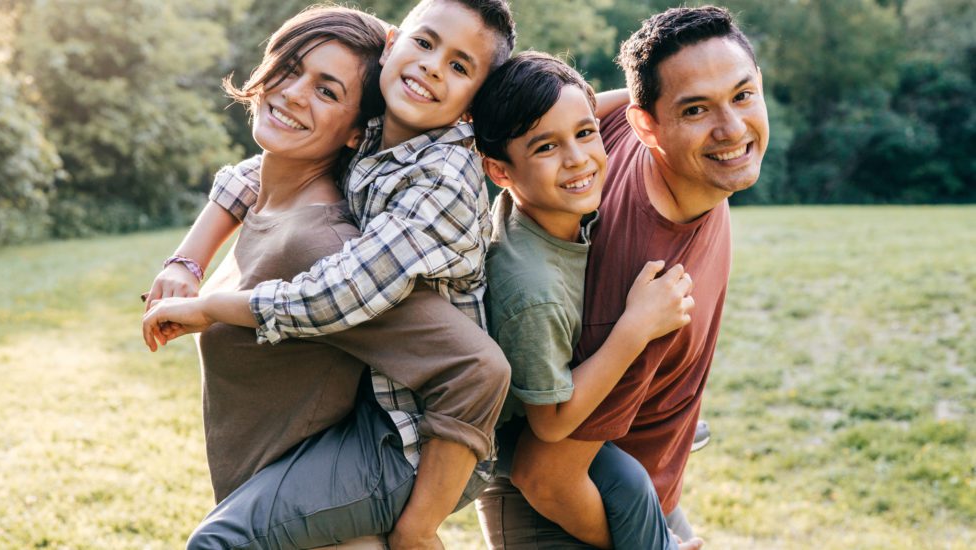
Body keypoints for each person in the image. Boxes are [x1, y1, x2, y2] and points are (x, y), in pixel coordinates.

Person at [142, 1, 518, 547]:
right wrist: (187, 258)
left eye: (326, 90)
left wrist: (419, 525)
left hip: (409, 442)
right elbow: (265, 173)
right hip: (360, 435)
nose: (434, 66)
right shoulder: (375, 147)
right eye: (292, 69)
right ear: (395, 43)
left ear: (471, 107)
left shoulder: (420, 191)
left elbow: (341, 298)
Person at [473, 6, 771, 546]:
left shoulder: (606, 139)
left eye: (743, 94)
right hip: (571, 518)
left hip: (641, 486)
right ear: (649, 126)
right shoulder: (642, 286)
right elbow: (547, 473)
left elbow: (576, 110)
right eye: (696, 110)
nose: (731, 128)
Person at [469, 52, 702, 550]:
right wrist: (636, 327)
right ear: (499, 170)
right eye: (547, 147)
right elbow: (550, 426)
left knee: (638, 485)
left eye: (585, 131)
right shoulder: (533, 288)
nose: (578, 159)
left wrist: (645, 101)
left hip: (565, 429)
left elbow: (572, 115)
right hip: (516, 450)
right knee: (633, 486)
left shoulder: (541, 204)